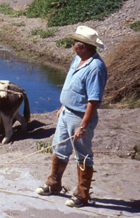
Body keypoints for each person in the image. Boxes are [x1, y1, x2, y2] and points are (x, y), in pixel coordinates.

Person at [35, 26, 107, 208]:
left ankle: (82, 194)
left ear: (82, 47)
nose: (72, 46)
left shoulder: (96, 68)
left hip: (80, 117)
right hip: (67, 112)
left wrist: (83, 125)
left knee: (83, 156)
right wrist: (63, 106)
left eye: (75, 44)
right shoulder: (77, 59)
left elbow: (93, 100)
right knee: (59, 148)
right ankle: (54, 184)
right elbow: (71, 86)